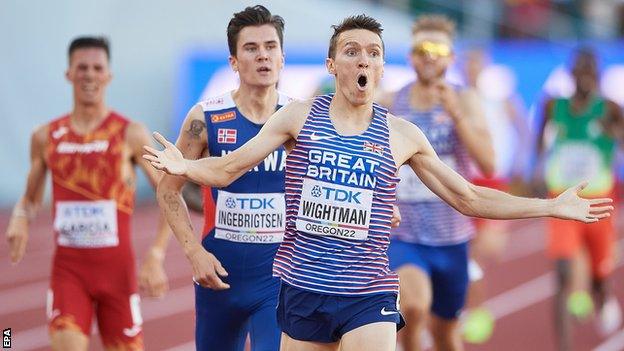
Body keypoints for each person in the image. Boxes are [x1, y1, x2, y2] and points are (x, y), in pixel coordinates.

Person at [144, 15, 613, 351]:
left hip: (367, 292)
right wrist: (185, 168)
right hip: (304, 292)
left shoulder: (402, 135)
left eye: (373, 52)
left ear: (382, 68)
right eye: (351, 51)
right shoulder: (299, 118)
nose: (362, 59)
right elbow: (228, 169)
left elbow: (468, 197)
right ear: (333, 66)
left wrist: (549, 206)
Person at [4, 37, 170, 351]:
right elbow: (29, 198)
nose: (89, 75)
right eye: (82, 68)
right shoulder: (45, 137)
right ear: (69, 74)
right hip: (69, 273)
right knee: (26, 341)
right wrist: (20, 218)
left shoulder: (130, 133)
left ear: (108, 75)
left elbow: (169, 196)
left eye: (97, 68)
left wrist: (156, 254)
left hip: (118, 277)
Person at [156, 5, 291, 350]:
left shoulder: (297, 119)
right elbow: (168, 191)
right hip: (218, 274)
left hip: (278, 278)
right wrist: (192, 252)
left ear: (282, 56)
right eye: (251, 48)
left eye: (270, 46)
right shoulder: (206, 117)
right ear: (233, 61)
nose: (263, 56)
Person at [377, 15, 494, 351]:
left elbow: (489, 162)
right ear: (410, 56)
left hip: (452, 238)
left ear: (450, 57)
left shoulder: (464, 99)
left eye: (437, 48)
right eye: (420, 49)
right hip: (405, 236)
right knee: (413, 307)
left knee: (445, 334)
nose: (429, 55)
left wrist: (456, 114)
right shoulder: (392, 102)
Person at [535, 48, 623, 351]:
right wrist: (536, 172)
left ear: (597, 76)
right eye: (580, 72)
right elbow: (539, 143)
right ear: (571, 74)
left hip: (599, 203)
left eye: (591, 73)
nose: (585, 78)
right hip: (563, 201)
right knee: (562, 273)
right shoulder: (552, 107)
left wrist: (614, 133)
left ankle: (604, 292)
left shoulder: (610, 108)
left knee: (600, 272)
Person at [461, 48, 531, 344]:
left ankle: (473, 304)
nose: (473, 70)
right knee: (469, 252)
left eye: (478, 65)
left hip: (495, 181)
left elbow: (523, 127)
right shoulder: (456, 101)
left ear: (484, 68)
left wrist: (519, 164)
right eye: (469, 65)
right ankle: (474, 308)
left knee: (488, 250)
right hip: (464, 182)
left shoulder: (498, 100)